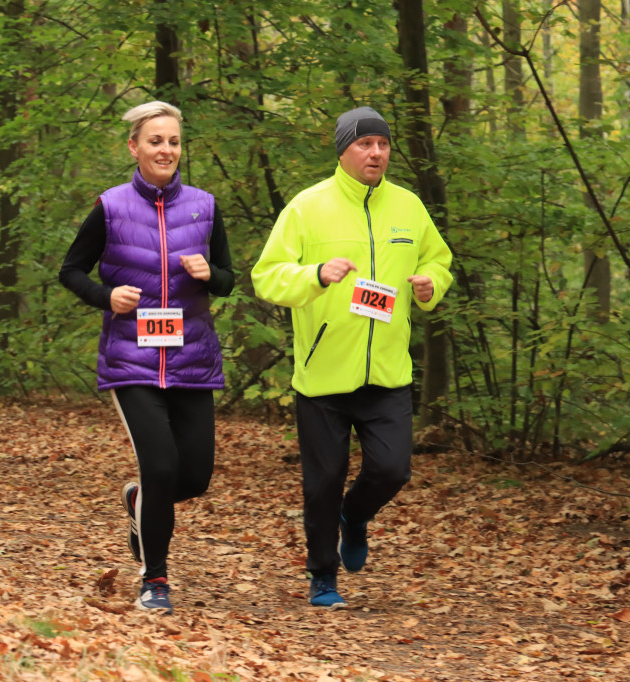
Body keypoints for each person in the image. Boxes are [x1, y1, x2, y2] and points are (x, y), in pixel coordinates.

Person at [251, 106, 452, 608]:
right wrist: (315, 274)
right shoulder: (307, 207)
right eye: (365, 144)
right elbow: (267, 275)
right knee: (322, 483)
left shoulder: (408, 206)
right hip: (324, 377)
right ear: (342, 150)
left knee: (392, 470)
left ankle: (355, 516)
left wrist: (432, 283)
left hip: (386, 372)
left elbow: (438, 258)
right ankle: (323, 577)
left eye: (383, 145)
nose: (376, 153)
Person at [59, 101, 234, 614]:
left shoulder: (204, 205)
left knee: (195, 475)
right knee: (160, 466)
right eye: (155, 141)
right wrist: (105, 297)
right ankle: (154, 577)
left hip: (192, 359)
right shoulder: (111, 206)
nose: (166, 150)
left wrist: (209, 276)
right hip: (132, 358)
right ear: (134, 147)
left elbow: (228, 277)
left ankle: (141, 503)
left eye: (174, 141)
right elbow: (71, 270)